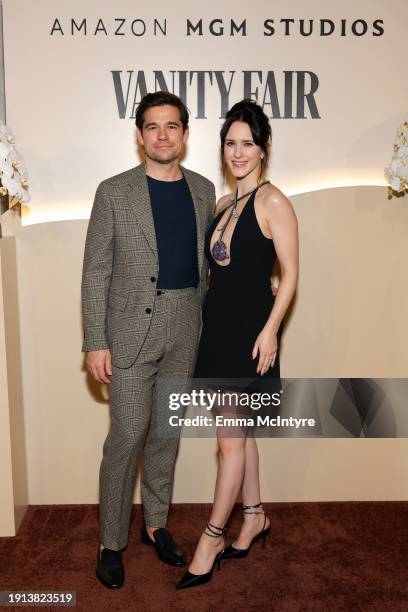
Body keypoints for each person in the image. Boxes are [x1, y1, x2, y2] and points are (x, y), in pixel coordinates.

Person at [81, 91, 216, 589]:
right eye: (153, 127)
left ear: (184, 134)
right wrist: (96, 340)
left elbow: (210, 266)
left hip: (186, 323)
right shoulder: (113, 191)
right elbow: (96, 270)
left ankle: (155, 524)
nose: (163, 135)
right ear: (139, 135)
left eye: (172, 126)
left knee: (167, 432)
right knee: (127, 434)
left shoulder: (203, 190)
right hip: (130, 329)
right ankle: (110, 541)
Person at [176, 99, 299, 589]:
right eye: (231, 143)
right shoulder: (224, 204)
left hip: (252, 337)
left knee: (229, 442)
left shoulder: (275, 203)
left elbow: (289, 276)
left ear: (263, 148)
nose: (238, 152)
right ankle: (253, 517)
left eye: (248, 143)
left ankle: (211, 538)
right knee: (239, 435)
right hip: (218, 332)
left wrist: (270, 329)